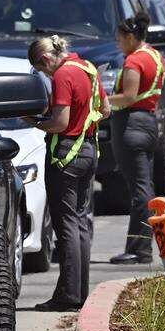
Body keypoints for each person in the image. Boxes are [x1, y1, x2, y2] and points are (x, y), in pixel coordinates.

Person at [26, 35, 111, 312]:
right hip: (88, 151)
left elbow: (60, 122)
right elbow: (106, 110)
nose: (45, 75)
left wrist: (36, 122)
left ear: (47, 60)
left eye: (42, 70)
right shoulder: (88, 68)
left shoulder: (62, 75)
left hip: (65, 156)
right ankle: (79, 291)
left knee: (67, 227)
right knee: (81, 222)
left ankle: (68, 295)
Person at [105, 15, 165, 265]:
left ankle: (139, 248)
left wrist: (104, 100)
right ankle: (140, 245)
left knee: (140, 190)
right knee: (145, 186)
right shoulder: (155, 56)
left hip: (132, 125)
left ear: (131, 37)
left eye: (120, 38)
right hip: (149, 122)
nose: (118, 43)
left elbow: (128, 96)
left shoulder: (134, 61)